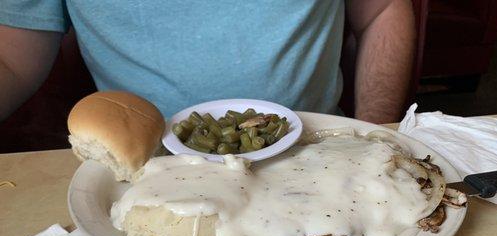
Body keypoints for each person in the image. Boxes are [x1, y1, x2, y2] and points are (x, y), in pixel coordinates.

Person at [0, 0, 415, 124]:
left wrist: (375, 135)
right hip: (143, 171)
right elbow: (12, 60)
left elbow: (382, 10)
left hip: (319, 149)